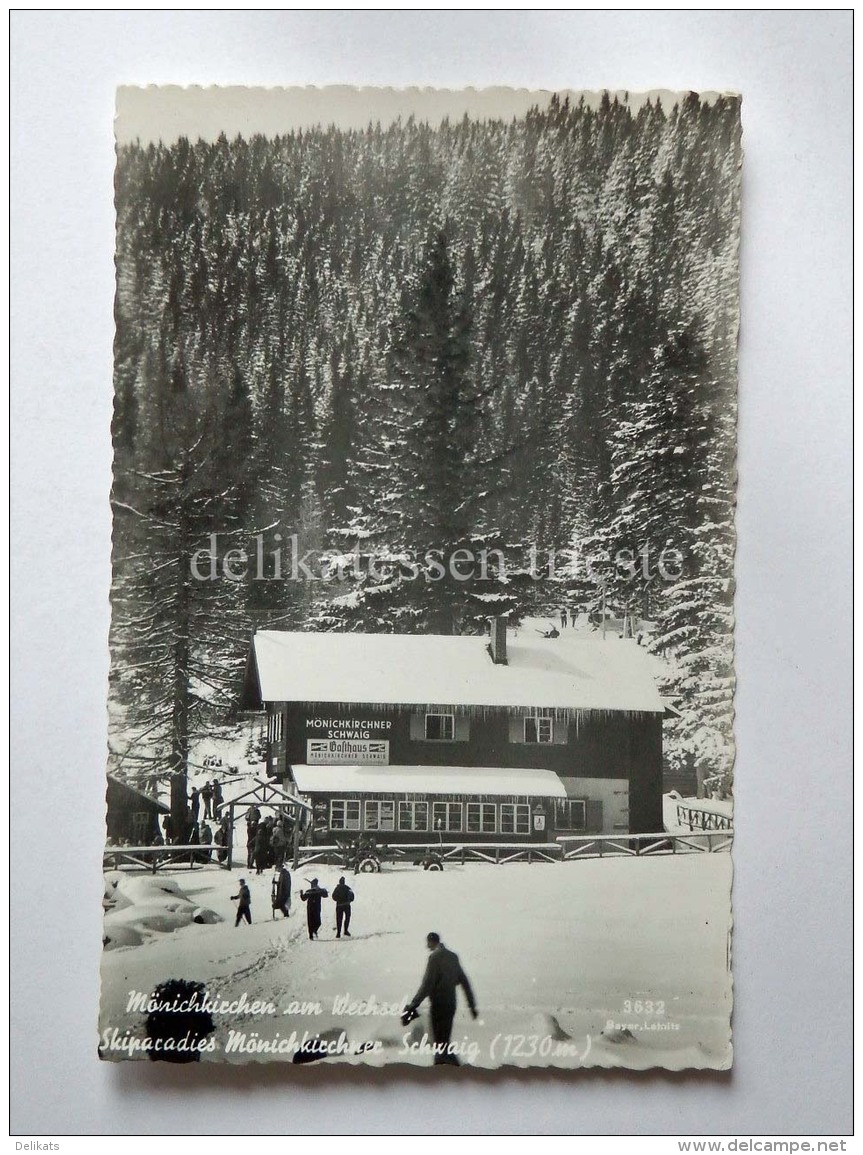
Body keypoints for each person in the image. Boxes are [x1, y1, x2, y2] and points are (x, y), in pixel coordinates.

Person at [403, 932, 478, 1065]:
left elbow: (427, 984)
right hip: (450, 1005)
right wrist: (472, 1005)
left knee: (439, 1043)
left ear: (432, 942)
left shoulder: (434, 958)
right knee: (443, 1041)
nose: (427, 946)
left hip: (438, 1005)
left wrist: (413, 1004)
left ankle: (448, 1070)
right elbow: (464, 982)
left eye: (428, 943)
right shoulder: (453, 957)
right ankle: (453, 1068)